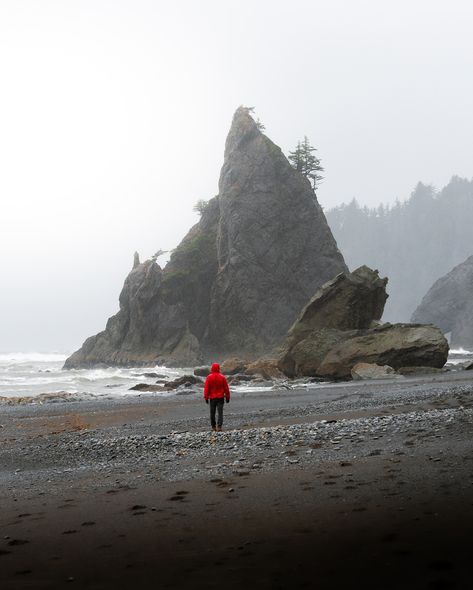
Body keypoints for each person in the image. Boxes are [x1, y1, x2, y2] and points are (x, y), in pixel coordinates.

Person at [204, 363, 230, 432]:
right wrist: (227, 397)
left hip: (212, 398)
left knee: (212, 413)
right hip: (220, 397)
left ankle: (213, 427)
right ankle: (219, 426)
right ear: (218, 368)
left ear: (212, 368)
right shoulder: (222, 377)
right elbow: (226, 388)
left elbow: (206, 388)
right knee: (220, 413)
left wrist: (206, 397)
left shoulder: (209, 377)